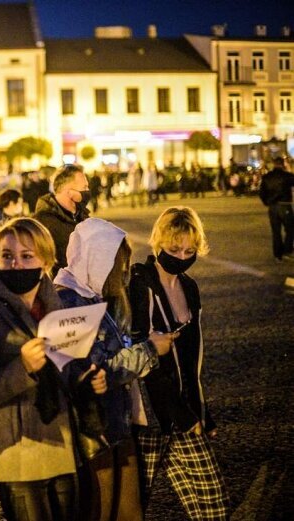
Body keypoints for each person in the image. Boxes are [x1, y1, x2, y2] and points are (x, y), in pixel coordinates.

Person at [0, 217, 105, 521]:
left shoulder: (57, 309)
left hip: (63, 447)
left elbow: (68, 370)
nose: (15, 265)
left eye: (27, 256)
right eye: (7, 256)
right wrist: (22, 369)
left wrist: (87, 380)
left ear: (45, 260)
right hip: (19, 458)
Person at [53, 218, 174, 521]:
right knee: (102, 510)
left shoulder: (98, 296)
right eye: (116, 263)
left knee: (129, 511)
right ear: (96, 259)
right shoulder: (68, 303)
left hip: (117, 421)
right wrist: (149, 350)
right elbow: (95, 371)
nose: (122, 272)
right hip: (94, 431)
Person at [129, 207, 230, 520]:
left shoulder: (189, 287)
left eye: (190, 250)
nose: (182, 256)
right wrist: (181, 414)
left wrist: (202, 411)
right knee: (131, 507)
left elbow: (190, 360)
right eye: (174, 249)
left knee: (212, 505)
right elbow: (143, 357)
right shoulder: (141, 286)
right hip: (152, 415)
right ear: (158, 242)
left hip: (183, 411)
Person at [33, 164, 91, 275]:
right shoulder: (44, 224)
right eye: (84, 188)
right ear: (69, 192)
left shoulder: (81, 216)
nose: (88, 192)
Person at [258, 156, 294, 262]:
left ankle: (277, 255)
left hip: (272, 207)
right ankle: (287, 250)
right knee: (290, 229)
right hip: (285, 205)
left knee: (276, 231)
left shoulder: (267, 177)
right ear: (282, 164)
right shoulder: (287, 176)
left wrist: (267, 202)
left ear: (273, 164)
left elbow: (261, 193)